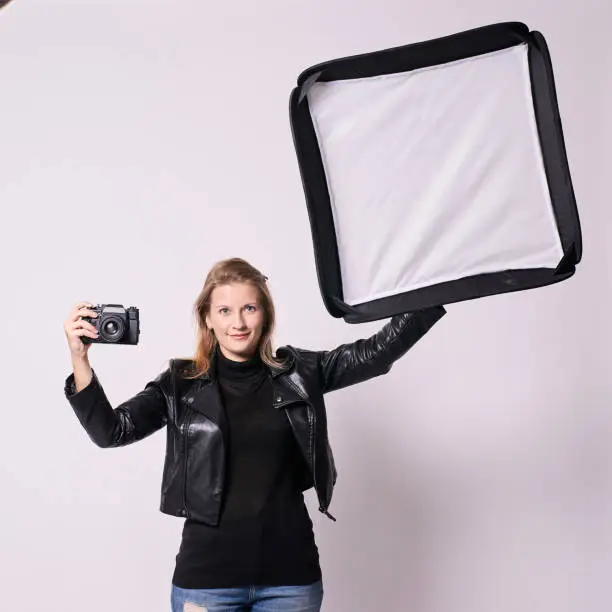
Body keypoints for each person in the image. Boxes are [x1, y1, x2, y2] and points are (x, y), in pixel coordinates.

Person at [63, 257, 446, 612]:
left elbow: (374, 355)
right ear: (207, 318)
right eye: (225, 310)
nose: (238, 323)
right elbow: (112, 431)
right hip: (206, 582)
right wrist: (79, 358)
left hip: (289, 581)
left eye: (249, 308)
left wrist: (437, 291)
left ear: (265, 314)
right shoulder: (180, 384)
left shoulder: (300, 373)